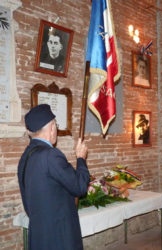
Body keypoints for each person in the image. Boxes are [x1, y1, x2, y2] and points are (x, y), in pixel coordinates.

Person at [17, 104, 90, 250]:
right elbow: (80, 187)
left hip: (39, 233)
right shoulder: (51, 155)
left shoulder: (25, 157)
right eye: (55, 124)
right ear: (51, 128)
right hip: (58, 236)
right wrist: (81, 158)